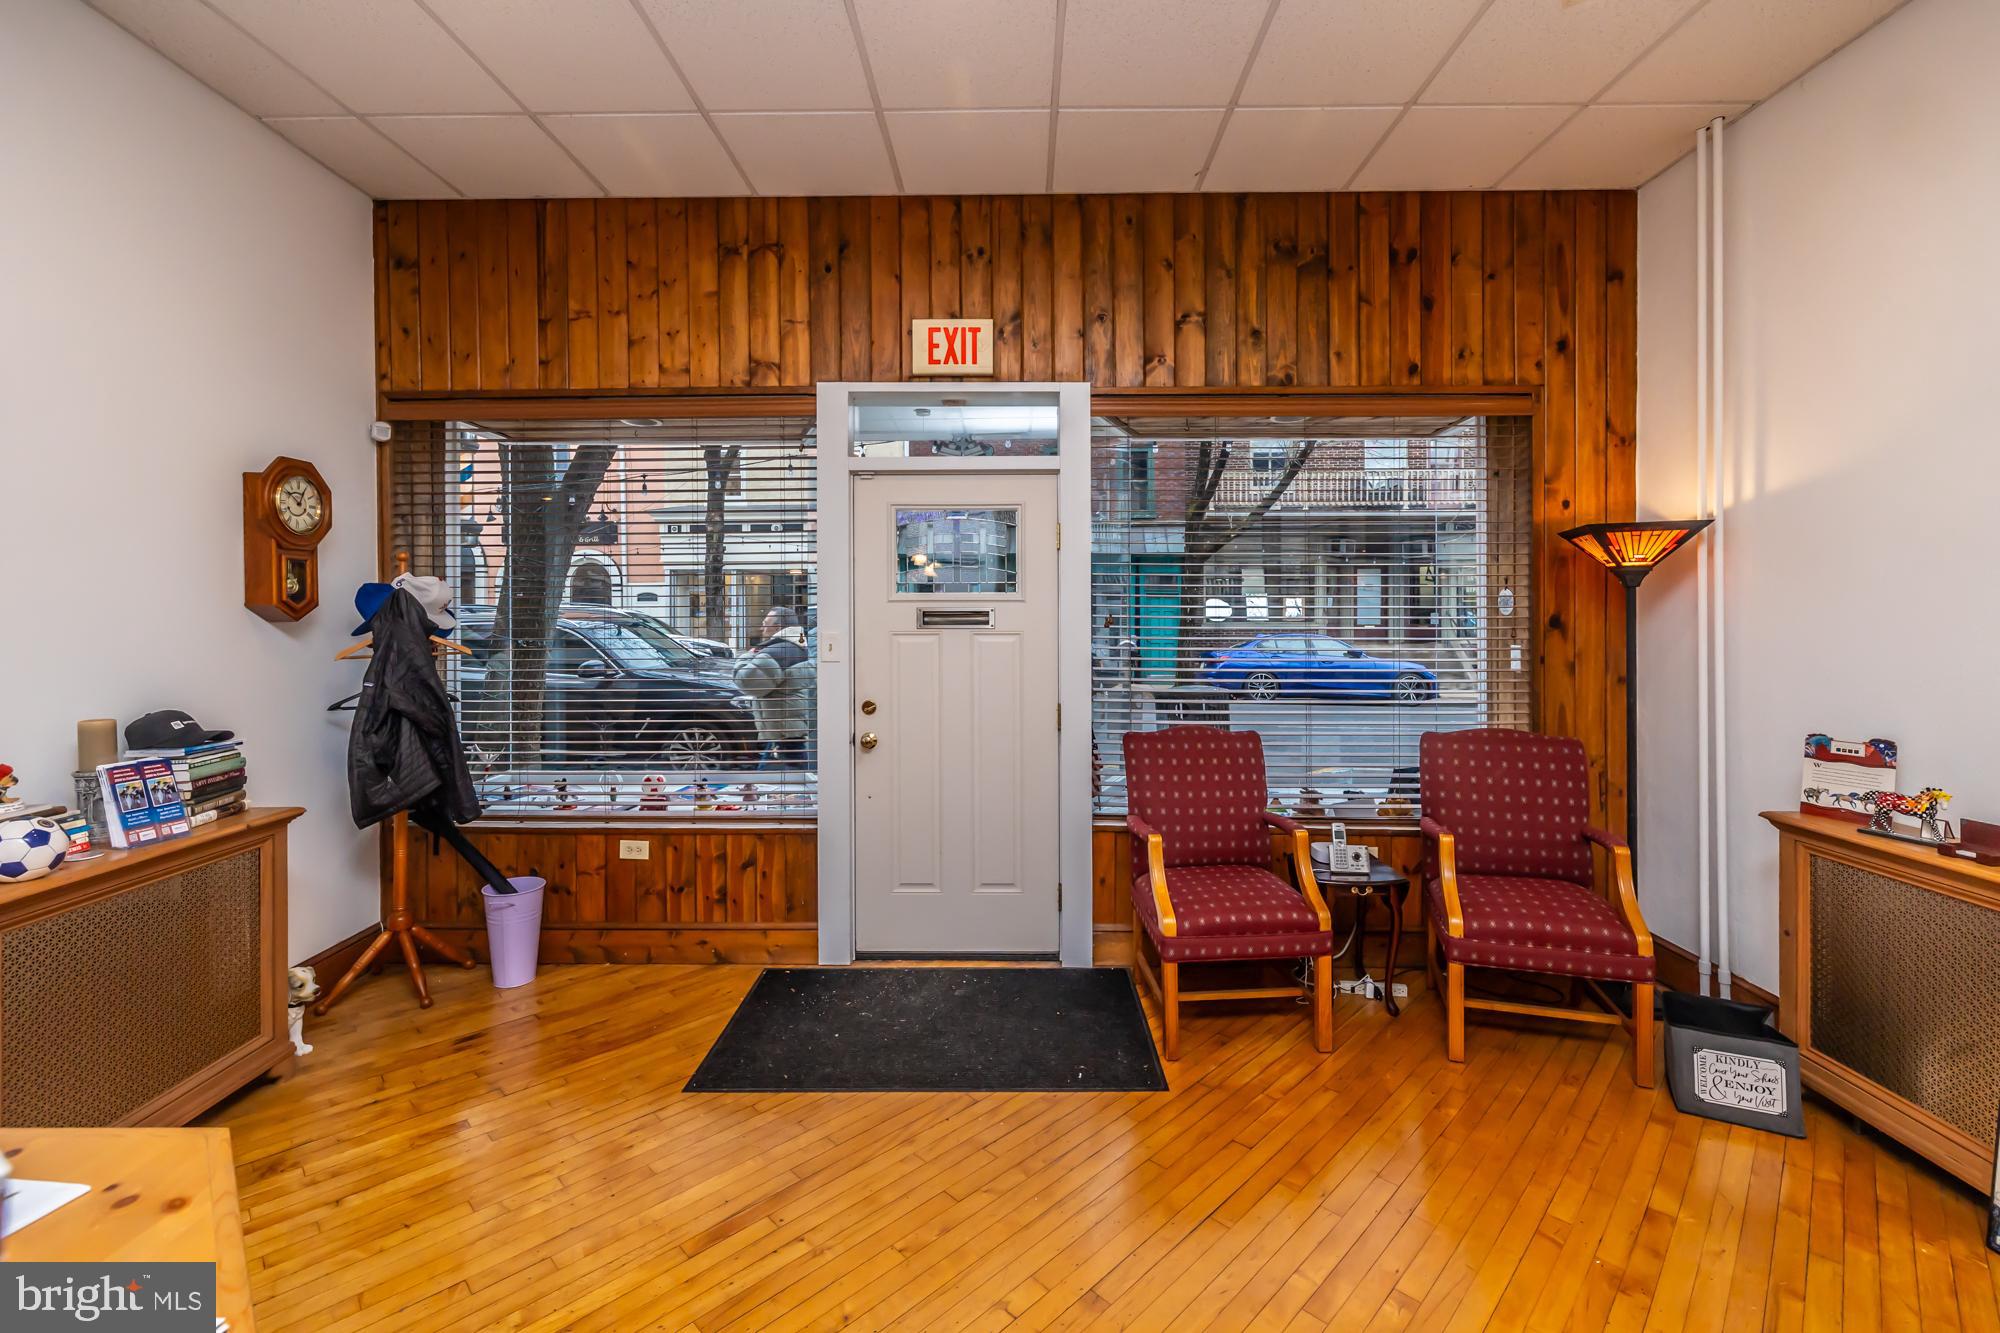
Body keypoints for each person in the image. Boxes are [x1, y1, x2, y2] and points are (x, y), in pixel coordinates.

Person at [733, 607, 815, 771]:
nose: (761, 628)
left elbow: (745, 681)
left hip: (784, 734)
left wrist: (749, 655)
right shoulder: (798, 647)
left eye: (765, 623)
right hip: (789, 730)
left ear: (777, 627)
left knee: (781, 784)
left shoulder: (777, 652)